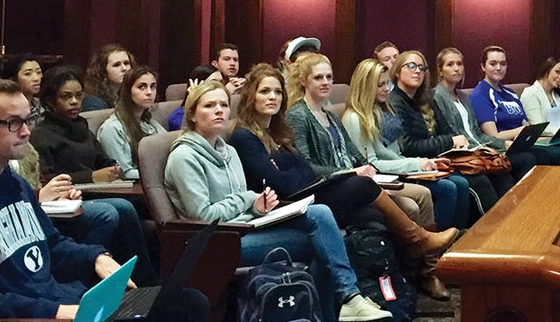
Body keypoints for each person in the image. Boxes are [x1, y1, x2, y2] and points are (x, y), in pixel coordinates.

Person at [164, 80, 391, 322]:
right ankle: (342, 305)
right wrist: (249, 200)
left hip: (246, 226)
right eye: (209, 106)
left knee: (321, 213)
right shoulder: (184, 157)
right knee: (323, 242)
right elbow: (204, 216)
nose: (219, 110)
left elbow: (244, 199)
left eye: (223, 104)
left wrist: (258, 205)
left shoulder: (227, 150)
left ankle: (347, 301)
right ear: (192, 115)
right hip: (217, 241)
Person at [230, 63, 456, 300]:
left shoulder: (279, 132)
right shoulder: (245, 136)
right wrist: (297, 173)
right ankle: (417, 239)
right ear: (250, 96)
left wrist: (291, 172)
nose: (272, 97)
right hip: (286, 207)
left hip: (306, 192)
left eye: (277, 92)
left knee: (374, 217)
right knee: (362, 185)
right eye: (265, 91)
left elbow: (305, 172)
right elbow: (283, 184)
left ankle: (399, 291)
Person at [0, 79, 127, 319]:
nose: (26, 132)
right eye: (13, 123)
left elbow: (52, 244)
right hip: (35, 314)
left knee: (181, 303)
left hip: (61, 298)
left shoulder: (16, 183)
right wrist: (56, 311)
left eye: (26, 121)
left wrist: (95, 257)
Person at [283, 53, 440, 235]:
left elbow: (356, 156)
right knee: (374, 198)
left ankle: (421, 250)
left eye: (329, 77)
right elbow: (308, 168)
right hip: (327, 188)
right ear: (303, 81)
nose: (326, 82)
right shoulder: (298, 115)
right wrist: (350, 172)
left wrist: (366, 168)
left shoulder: (331, 116)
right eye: (318, 78)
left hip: (348, 183)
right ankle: (419, 241)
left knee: (375, 207)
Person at [30, 66, 155, 285]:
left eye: (79, 96)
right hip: (66, 199)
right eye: (66, 97)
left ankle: (141, 279)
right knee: (119, 209)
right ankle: (97, 276)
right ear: (50, 100)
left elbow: (101, 158)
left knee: (131, 209)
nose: (74, 102)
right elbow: (48, 178)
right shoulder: (42, 134)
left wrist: (112, 167)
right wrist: (91, 177)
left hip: (96, 190)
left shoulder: (81, 126)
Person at [343, 57, 470, 230]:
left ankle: (445, 242)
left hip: (399, 170)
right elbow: (372, 164)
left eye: (387, 84)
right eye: (380, 85)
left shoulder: (383, 110)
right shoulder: (355, 118)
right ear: (365, 86)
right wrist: (417, 163)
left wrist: (425, 163)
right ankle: (431, 249)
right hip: (378, 179)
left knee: (455, 183)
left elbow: (396, 153)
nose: (386, 89)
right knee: (443, 189)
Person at [381, 52, 502, 219]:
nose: (417, 71)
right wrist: (449, 141)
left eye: (421, 67)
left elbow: (447, 130)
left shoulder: (425, 99)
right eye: (411, 66)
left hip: (438, 160)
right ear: (396, 72)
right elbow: (408, 146)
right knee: (462, 183)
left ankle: (468, 233)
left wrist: (454, 141)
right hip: (415, 165)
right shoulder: (395, 102)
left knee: (491, 172)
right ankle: (486, 228)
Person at [429, 48, 533, 190]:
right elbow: (451, 134)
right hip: (461, 155)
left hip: (479, 151)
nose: (456, 68)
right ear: (440, 70)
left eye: (459, 64)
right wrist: (484, 149)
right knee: (499, 173)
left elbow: (477, 133)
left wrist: (500, 145)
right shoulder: (436, 96)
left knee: (505, 173)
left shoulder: (463, 97)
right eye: (450, 64)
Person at [468, 46, 560, 166]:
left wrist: (528, 132)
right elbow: (493, 136)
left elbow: (525, 124)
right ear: (483, 67)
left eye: (503, 64)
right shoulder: (480, 94)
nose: (498, 68)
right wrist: (521, 131)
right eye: (493, 64)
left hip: (523, 143)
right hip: (503, 148)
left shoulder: (511, 93)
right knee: (542, 157)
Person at [95, 65, 166, 180]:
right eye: (141, 87)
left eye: (153, 87)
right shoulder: (112, 128)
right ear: (128, 91)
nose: (149, 92)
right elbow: (124, 173)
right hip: (131, 190)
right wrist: (165, 175)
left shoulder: (148, 123)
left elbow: (170, 147)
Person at [81, 43, 131, 111]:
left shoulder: (131, 95)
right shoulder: (93, 101)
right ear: (103, 71)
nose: (124, 68)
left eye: (126, 63)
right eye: (116, 65)